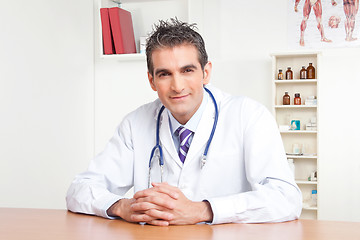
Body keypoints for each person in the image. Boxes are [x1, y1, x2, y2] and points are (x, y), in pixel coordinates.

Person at [66, 19, 302, 226]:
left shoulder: (249, 116)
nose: (177, 86)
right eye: (165, 74)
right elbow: (79, 189)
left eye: (187, 70)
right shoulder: (135, 123)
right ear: (151, 80)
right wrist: (122, 206)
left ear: (205, 72)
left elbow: (286, 199)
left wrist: (203, 210)